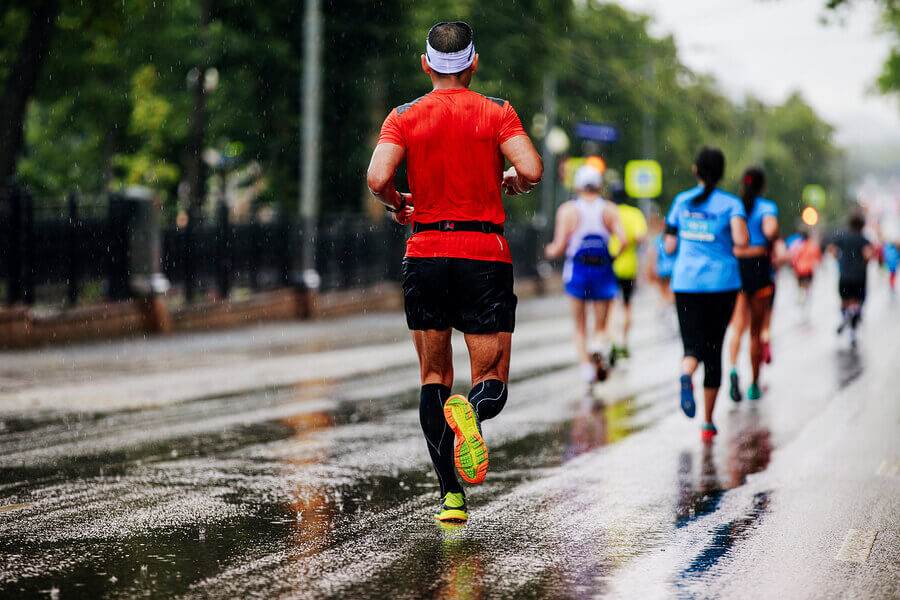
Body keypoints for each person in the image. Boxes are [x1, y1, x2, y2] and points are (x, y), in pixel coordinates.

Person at [366, 21, 542, 523]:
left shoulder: (403, 116)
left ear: (426, 64)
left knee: (433, 378)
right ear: (473, 63)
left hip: (426, 252)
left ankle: (451, 497)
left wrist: (399, 202)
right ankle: (476, 414)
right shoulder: (496, 112)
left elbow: (378, 177)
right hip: (482, 253)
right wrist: (511, 180)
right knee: (491, 377)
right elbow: (531, 169)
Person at [665, 146, 749, 442]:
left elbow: (670, 246)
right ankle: (708, 424)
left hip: (686, 282)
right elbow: (741, 239)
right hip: (722, 284)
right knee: (714, 350)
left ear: (695, 170)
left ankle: (686, 373)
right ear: (722, 172)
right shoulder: (731, 204)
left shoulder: (680, 201)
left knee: (692, 347)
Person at [545, 165, 626, 386]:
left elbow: (559, 246)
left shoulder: (567, 210)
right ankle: (598, 346)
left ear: (578, 186)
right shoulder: (609, 209)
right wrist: (612, 257)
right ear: (599, 186)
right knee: (600, 324)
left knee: (579, 324)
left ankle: (586, 368)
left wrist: (549, 250)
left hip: (577, 270)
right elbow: (624, 240)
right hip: (602, 268)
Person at [726, 167, 779, 403]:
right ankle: (754, 384)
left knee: (738, 325)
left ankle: (733, 369)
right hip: (758, 267)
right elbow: (770, 231)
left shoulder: (733, 206)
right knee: (756, 331)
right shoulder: (767, 207)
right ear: (762, 185)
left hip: (737, 266)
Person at [608, 184, 648, 359]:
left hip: (608, 265)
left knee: (610, 306)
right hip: (629, 267)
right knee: (626, 306)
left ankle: (612, 343)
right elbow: (640, 237)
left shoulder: (607, 212)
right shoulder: (634, 214)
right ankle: (624, 343)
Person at [827, 211, 875, 345]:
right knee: (856, 302)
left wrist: (840, 259)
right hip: (859, 276)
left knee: (845, 301)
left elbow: (830, 249)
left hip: (845, 276)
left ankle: (845, 316)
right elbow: (868, 255)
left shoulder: (842, 237)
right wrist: (864, 264)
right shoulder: (863, 239)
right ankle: (853, 330)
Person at [647, 215, 676, 312]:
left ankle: (664, 308)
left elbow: (653, 255)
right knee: (670, 292)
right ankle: (668, 308)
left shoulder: (657, 239)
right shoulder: (675, 238)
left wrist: (651, 269)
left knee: (664, 292)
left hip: (662, 269)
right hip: (671, 269)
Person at [790, 230, 822, 305]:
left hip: (799, 269)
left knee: (801, 286)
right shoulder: (812, 245)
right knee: (807, 285)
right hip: (808, 270)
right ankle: (806, 297)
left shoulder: (797, 246)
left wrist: (793, 267)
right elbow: (818, 257)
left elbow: (793, 257)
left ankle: (802, 296)